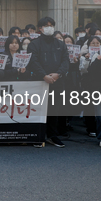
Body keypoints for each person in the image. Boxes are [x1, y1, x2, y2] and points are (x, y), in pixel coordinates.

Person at [27, 16, 69, 148]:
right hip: (40, 81)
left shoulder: (60, 44)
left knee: (54, 109)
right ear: (40, 28)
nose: (49, 28)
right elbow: (33, 62)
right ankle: (38, 135)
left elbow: (65, 61)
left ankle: (52, 135)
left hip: (57, 81)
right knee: (38, 108)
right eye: (46, 25)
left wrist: (58, 74)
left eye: (51, 25)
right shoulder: (34, 44)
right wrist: (44, 76)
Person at [79, 35, 101, 137]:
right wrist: (87, 59)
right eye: (93, 43)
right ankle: (91, 128)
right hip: (88, 82)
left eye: (97, 43)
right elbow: (83, 70)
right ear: (88, 45)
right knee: (89, 105)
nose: (95, 45)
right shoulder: (84, 56)